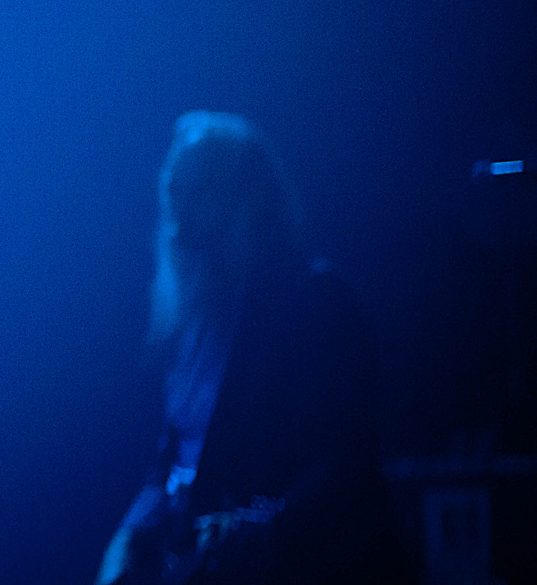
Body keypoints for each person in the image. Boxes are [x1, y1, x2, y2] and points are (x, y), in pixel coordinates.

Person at [97, 112, 403, 585]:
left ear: (249, 200)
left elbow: (342, 472)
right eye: (173, 191)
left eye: (197, 190)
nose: (177, 214)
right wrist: (126, 546)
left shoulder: (316, 305)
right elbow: (172, 464)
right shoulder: (200, 324)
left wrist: (247, 532)